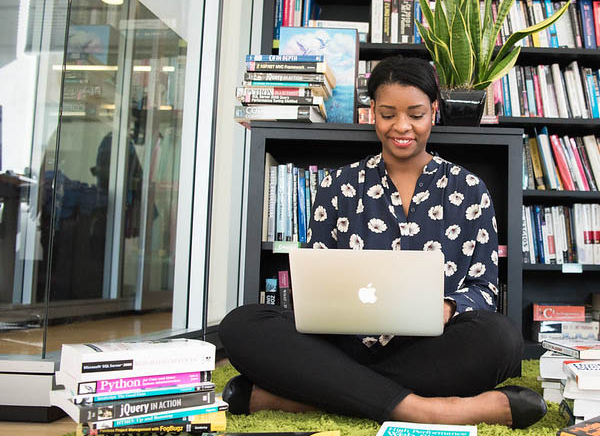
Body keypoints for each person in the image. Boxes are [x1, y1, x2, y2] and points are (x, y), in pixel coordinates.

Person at [218, 56, 547, 429]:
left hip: (430, 348)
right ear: (371, 110)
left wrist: (447, 306)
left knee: (501, 338)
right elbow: (316, 280)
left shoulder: (469, 189)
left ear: (434, 111)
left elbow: (485, 288)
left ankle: (307, 396)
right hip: (340, 344)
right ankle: (432, 410)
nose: (402, 126)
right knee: (240, 325)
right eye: (388, 113)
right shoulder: (336, 186)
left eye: (416, 114)